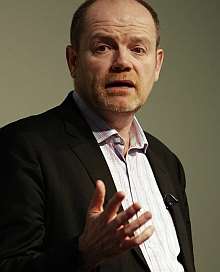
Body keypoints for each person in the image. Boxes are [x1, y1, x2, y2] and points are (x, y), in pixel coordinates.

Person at [0, 0, 196, 271]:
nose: (123, 62)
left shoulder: (167, 162)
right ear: (73, 61)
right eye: (103, 47)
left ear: (157, 64)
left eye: (138, 49)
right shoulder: (21, 147)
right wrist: (82, 253)